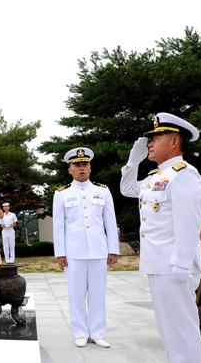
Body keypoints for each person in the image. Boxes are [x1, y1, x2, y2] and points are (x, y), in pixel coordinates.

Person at [120, 112, 201, 363]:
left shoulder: (184, 174)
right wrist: (132, 163)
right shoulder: (155, 177)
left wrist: (181, 265)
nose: (151, 143)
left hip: (175, 267)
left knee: (183, 331)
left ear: (175, 141)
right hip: (159, 265)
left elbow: (188, 225)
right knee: (169, 331)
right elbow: (127, 189)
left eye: (158, 137)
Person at [53, 147, 119, 348]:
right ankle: (80, 333)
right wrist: (60, 252)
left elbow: (110, 221)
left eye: (85, 164)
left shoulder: (102, 190)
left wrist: (113, 249)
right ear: (70, 169)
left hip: (99, 250)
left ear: (90, 168)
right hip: (74, 252)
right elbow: (59, 225)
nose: (81, 168)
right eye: (77, 165)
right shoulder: (62, 194)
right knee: (76, 295)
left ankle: (98, 333)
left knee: (98, 294)